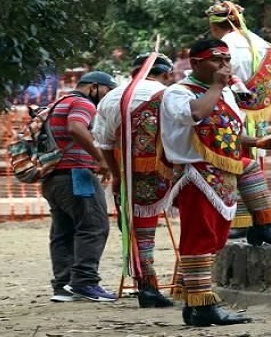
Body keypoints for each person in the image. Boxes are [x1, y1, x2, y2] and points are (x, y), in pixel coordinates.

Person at [160, 39, 271, 326]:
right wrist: (217, 87)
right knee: (199, 238)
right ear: (195, 63)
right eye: (216, 60)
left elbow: (226, 134)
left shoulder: (226, 93)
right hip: (195, 174)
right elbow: (195, 114)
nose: (224, 66)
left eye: (227, 60)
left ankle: (195, 305)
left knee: (215, 239)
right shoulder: (177, 93)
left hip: (222, 173)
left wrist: (257, 141)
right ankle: (204, 306)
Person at [205, 0, 271, 246]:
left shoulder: (220, 48)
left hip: (228, 110)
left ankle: (236, 221)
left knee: (232, 164)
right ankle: (255, 222)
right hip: (257, 113)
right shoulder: (265, 46)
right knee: (252, 164)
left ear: (213, 25)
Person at [93, 53, 175, 308]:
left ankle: (146, 284)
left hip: (129, 174)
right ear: (166, 74)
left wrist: (117, 176)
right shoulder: (170, 94)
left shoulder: (111, 97)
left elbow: (103, 143)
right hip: (172, 171)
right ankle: (193, 281)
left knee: (139, 231)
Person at [42, 71, 117, 302]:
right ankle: (85, 282)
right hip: (77, 174)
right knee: (94, 226)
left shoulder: (57, 103)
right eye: (107, 91)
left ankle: (63, 286)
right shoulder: (82, 103)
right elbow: (76, 128)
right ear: (94, 86)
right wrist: (100, 159)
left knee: (63, 231)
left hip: (53, 177)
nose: (107, 97)